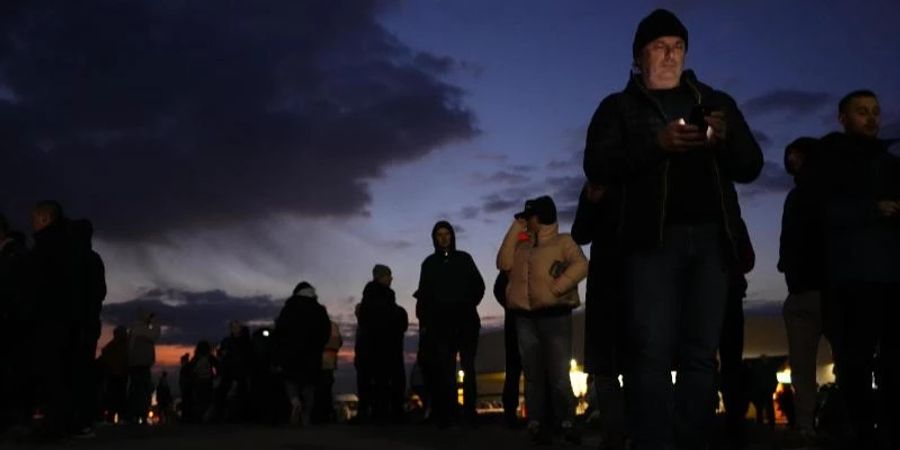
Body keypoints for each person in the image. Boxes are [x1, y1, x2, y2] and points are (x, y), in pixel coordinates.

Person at [582, 9, 763, 449]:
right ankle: (654, 441)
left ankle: (692, 439)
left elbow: (751, 166)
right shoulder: (618, 107)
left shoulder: (715, 102)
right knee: (651, 352)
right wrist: (655, 145)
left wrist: (725, 139)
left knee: (702, 354)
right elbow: (597, 166)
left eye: (677, 46)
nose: (670, 55)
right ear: (639, 57)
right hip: (649, 243)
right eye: (659, 47)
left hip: (711, 242)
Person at [802, 90, 900, 450]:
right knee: (855, 363)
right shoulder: (828, 161)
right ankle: (862, 433)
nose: (872, 118)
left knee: (892, 364)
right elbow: (817, 212)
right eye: (862, 111)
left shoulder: (890, 164)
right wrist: (870, 210)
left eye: (876, 111)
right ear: (842, 117)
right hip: (850, 279)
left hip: (891, 277)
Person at [497, 195, 589, 444]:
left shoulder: (563, 241)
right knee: (533, 374)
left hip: (555, 315)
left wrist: (558, 287)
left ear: (542, 217)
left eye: (530, 217)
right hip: (525, 316)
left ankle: (567, 420)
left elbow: (581, 265)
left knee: (559, 374)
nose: (527, 222)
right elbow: (503, 262)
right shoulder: (522, 245)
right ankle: (536, 422)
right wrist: (515, 229)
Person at [777, 136, 828, 446]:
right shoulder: (805, 194)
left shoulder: (806, 195)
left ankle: (807, 424)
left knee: (803, 364)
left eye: (794, 155)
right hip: (813, 287)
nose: (790, 160)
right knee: (806, 364)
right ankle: (811, 424)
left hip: (813, 288)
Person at [571, 182, 628, 449]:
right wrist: (590, 201)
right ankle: (616, 436)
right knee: (604, 369)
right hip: (605, 285)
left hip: (639, 277)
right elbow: (580, 232)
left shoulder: (647, 170)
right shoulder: (598, 181)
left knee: (639, 364)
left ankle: (636, 432)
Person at [415, 221, 485, 427]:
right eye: (439, 234)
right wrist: (427, 321)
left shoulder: (464, 259)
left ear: (452, 236)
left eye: (447, 234)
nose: (444, 238)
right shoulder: (428, 264)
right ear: (434, 238)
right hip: (441, 327)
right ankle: (450, 412)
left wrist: (466, 303)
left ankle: (469, 412)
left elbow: (479, 285)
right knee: (446, 371)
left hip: (466, 323)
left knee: (468, 368)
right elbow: (424, 295)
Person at [356, 265, 409, 423]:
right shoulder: (378, 297)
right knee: (383, 380)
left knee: (382, 381)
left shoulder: (375, 297)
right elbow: (379, 320)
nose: (391, 278)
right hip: (381, 349)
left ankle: (380, 412)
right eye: (388, 275)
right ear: (380, 277)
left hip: (381, 348)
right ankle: (383, 413)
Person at [274, 281, 331, 427]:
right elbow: (326, 331)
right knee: (309, 385)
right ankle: (306, 417)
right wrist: (318, 345)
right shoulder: (319, 309)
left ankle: (294, 401)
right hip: (312, 354)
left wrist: (281, 349)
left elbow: (280, 330)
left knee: (290, 380)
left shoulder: (289, 307)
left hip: (291, 352)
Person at [493, 271, 523, 428]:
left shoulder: (510, 264)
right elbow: (498, 289)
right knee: (515, 371)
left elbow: (498, 289)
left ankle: (512, 412)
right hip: (517, 323)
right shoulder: (510, 264)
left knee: (514, 371)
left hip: (517, 322)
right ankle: (511, 412)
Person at [127, 309, 160, 423]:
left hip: (135, 364)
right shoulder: (142, 330)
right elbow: (155, 335)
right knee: (143, 390)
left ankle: (135, 415)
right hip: (141, 365)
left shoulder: (135, 329)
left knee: (136, 390)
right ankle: (141, 414)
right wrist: (155, 321)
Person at [215, 321, 252, 422]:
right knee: (223, 393)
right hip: (228, 371)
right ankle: (222, 416)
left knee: (241, 394)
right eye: (234, 327)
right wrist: (222, 354)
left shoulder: (245, 341)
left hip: (241, 372)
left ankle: (240, 416)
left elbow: (249, 356)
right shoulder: (227, 341)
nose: (236, 329)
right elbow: (220, 354)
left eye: (237, 327)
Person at [98, 325, 130, 423]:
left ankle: (116, 417)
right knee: (117, 397)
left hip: (116, 375)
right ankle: (118, 417)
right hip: (116, 375)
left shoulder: (113, 346)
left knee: (115, 397)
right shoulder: (122, 346)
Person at [313, 319, 343, 424]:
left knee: (318, 388)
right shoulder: (333, 325)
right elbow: (339, 342)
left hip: (317, 362)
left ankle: (319, 414)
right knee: (326, 388)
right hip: (330, 361)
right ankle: (326, 413)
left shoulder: (314, 324)